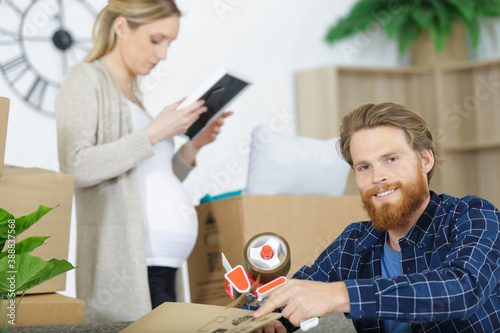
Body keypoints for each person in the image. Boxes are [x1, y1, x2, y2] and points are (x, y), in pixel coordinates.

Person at [252, 102, 500, 332]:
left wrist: (342, 295)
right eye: (364, 167)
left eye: (391, 159)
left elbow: (462, 290)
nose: (377, 177)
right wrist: (263, 319)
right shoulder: (353, 243)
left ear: (425, 160)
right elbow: (292, 300)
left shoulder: (474, 216)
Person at [56, 0, 232, 322]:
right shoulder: (85, 79)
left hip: (162, 264)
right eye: (156, 40)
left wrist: (193, 146)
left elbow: (149, 178)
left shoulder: (134, 96)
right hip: (130, 268)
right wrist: (154, 133)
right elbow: (75, 166)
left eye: (169, 43)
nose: (163, 54)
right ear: (121, 27)